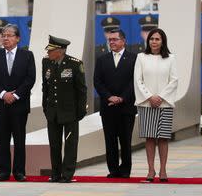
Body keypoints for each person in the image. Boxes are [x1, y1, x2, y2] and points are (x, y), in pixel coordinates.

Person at [0, 23, 36, 182]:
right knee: (2, 139)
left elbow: (30, 79)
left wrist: (16, 95)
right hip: (0, 104)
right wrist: (3, 94)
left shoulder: (27, 55)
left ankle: (19, 171)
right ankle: (4, 171)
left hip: (19, 104)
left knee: (19, 139)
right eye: (3, 35)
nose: (5, 38)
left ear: (18, 38)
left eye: (9, 35)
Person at [134, 27, 178, 182]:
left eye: (157, 39)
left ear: (162, 41)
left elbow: (174, 80)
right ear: (148, 41)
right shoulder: (141, 57)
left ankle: (163, 170)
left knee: (163, 138)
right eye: (152, 39)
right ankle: (151, 170)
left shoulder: (170, 58)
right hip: (147, 104)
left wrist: (160, 97)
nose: (154, 41)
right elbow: (138, 80)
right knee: (150, 138)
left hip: (164, 104)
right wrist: (149, 97)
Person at [94, 27, 137, 178]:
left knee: (125, 141)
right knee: (110, 141)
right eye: (109, 40)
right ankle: (113, 170)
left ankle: (125, 170)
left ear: (123, 41)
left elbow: (135, 81)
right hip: (108, 107)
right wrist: (109, 97)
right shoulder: (102, 59)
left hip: (127, 107)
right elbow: (97, 82)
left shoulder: (134, 58)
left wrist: (122, 98)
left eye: (115, 39)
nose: (111, 42)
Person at [42, 35, 87, 183]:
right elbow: (45, 88)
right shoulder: (46, 63)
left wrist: (80, 112)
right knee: (54, 144)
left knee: (70, 144)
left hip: (69, 112)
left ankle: (67, 174)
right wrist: (45, 107)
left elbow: (81, 89)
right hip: (52, 112)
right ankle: (55, 173)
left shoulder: (75, 64)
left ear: (60, 51)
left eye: (51, 50)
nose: (48, 53)